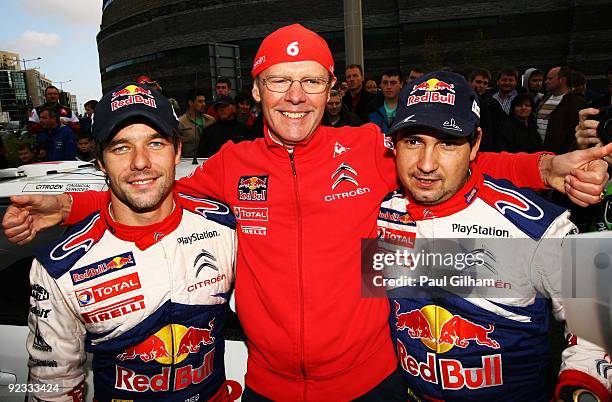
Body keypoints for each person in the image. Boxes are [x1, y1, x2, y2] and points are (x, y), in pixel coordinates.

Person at [4, 24, 611, 401]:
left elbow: (451, 159)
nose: (295, 96)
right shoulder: (228, 162)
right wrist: (64, 204)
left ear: (331, 91)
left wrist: (546, 169)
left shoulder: (372, 151)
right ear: (257, 90)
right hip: (267, 388)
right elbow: (151, 186)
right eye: (280, 81)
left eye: (311, 82)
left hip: (374, 385)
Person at [377, 71, 611, 401]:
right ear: (394, 144)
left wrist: (584, 385)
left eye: (448, 143)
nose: (426, 164)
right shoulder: (380, 207)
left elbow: (600, 318)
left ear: (475, 145)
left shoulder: (539, 224)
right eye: (413, 141)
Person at [21, 81, 236, 401]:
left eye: (155, 143)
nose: (140, 162)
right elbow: (53, 386)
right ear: (100, 162)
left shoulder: (224, 226)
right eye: (121, 147)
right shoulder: (59, 268)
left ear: (177, 150)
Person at [537, 66, 588, 154]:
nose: (546, 82)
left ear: (562, 80)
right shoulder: (543, 99)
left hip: (560, 154)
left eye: (550, 79)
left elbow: (575, 132)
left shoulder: (575, 102)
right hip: (541, 152)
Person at [178, 90, 216, 158]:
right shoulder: (180, 123)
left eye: (204, 101)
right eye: (200, 102)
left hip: (210, 159)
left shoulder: (211, 120)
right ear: (190, 102)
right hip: (188, 161)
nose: (204, 104)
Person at [369, 69, 402, 134]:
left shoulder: (408, 107)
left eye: (393, 83)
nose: (389, 87)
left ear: (401, 84)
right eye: (385, 83)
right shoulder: (371, 107)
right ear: (380, 85)